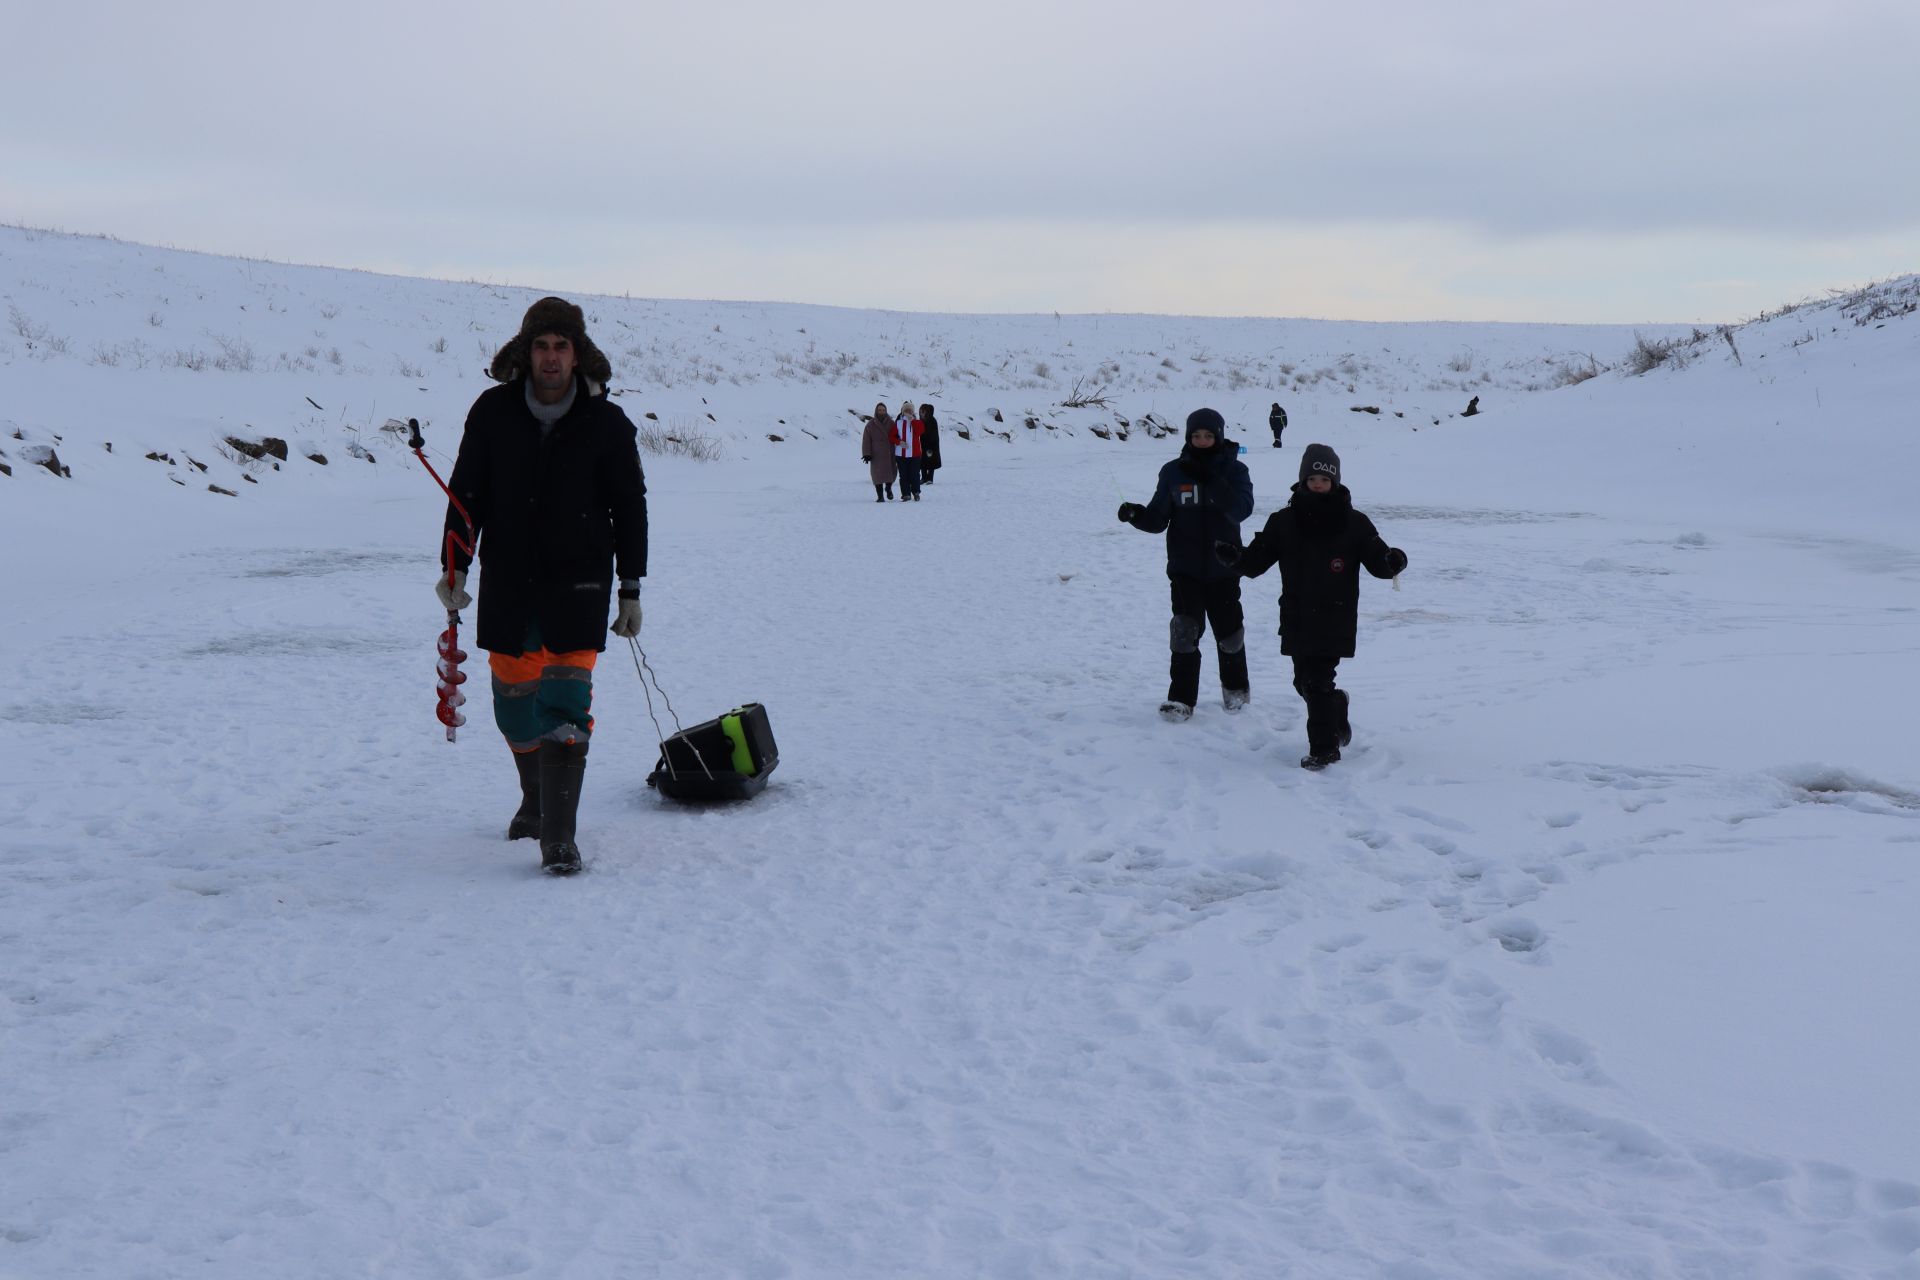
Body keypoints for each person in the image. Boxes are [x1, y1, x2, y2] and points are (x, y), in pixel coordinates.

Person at [435, 297, 648, 873]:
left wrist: (631, 586)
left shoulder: (607, 423)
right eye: (542, 346)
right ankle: (534, 798)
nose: (551, 357)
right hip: (509, 578)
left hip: (579, 582)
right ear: (525, 353)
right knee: (513, 705)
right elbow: (466, 495)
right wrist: (454, 566)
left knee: (567, 702)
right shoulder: (491, 413)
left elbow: (629, 507)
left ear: (578, 355)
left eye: (562, 346)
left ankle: (559, 835)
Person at [1229, 443, 1407, 770]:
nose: (1319, 485)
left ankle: (1325, 749)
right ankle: (1337, 707)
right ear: (1303, 480)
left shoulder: (1354, 523)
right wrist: (1236, 559)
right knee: (1304, 683)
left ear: (1335, 482)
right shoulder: (1284, 521)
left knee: (1316, 682)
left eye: (1325, 480)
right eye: (1312, 479)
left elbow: (1379, 562)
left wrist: (1393, 561)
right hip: (1297, 614)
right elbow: (1258, 560)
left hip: (1335, 615)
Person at [1117, 407, 1254, 721]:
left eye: (1208, 435)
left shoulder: (1236, 471)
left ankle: (1237, 694)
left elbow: (1241, 510)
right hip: (1185, 568)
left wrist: (1212, 481)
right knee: (1184, 630)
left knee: (1230, 634)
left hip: (1225, 566)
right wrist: (1135, 515)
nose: (1202, 440)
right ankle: (1180, 700)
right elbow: (1157, 519)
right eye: (1196, 435)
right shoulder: (1173, 471)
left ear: (1218, 436)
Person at [861, 402, 896, 501]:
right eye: (879, 410)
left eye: (883, 410)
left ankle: (888, 489)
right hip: (876, 454)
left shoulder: (891, 423)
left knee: (891, 473)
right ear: (876, 411)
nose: (881, 412)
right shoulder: (870, 424)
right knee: (877, 475)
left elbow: (897, 437)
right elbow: (866, 440)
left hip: (889, 452)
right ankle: (880, 496)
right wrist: (867, 454)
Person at [892, 399, 924, 501]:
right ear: (902, 411)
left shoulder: (917, 422)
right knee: (903, 475)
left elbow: (920, 431)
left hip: (915, 454)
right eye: (906, 410)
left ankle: (916, 492)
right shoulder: (898, 422)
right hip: (900, 454)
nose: (908, 412)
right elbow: (892, 436)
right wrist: (899, 442)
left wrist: (912, 420)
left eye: (910, 410)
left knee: (915, 474)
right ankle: (906, 494)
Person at [919, 403, 942, 484]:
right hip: (922, 445)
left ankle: (930, 478)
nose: (922, 413)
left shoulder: (932, 420)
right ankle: (924, 477)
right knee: (923, 462)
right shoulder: (921, 421)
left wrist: (930, 444)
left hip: (932, 445)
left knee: (931, 461)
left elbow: (933, 434)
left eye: (923, 411)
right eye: (921, 411)